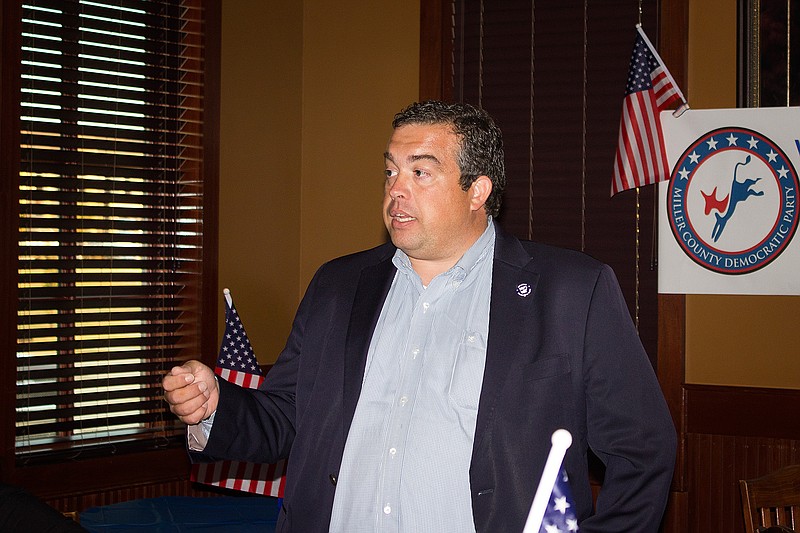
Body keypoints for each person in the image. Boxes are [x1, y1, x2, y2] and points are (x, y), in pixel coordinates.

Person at [163, 100, 677, 532]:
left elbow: (644, 449)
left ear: (477, 190)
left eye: (420, 172)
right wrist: (214, 408)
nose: (395, 189)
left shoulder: (570, 291)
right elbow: (285, 419)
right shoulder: (338, 287)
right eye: (390, 170)